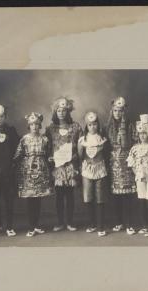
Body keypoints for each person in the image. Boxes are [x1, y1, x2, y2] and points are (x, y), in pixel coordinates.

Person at [45, 97, 82, 232]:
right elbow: (47, 147)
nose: (61, 113)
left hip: (71, 165)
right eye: (59, 110)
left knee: (70, 195)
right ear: (55, 111)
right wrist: (49, 157)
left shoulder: (76, 127)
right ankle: (60, 222)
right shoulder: (50, 129)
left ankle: (70, 222)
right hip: (58, 167)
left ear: (68, 112)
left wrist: (76, 156)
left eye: (64, 110)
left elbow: (81, 146)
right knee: (59, 195)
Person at [13, 112, 53, 237]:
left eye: (37, 124)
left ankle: (36, 225)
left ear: (40, 125)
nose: (34, 127)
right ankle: (31, 226)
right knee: (30, 199)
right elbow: (18, 154)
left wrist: (50, 159)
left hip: (41, 169)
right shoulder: (24, 139)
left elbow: (48, 153)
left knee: (38, 198)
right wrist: (16, 164)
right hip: (28, 170)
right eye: (32, 124)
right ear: (29, 126)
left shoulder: (44, 139)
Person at [106, 97, 137, 235]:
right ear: (112, 111)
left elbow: (135, 140)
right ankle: (119, 222)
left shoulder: (130, 125)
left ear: (124, 111)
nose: (117, 113)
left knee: (128, 195)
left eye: (120, 111)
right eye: (115, 111)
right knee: (116, 195)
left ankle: (129, 223)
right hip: (114, 163)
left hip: (127, 162)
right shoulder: (107, 127)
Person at [0, 105, 19, 237]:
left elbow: (18, 148)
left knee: (9, 199)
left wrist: (13, 164)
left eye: (2, 116)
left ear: (5, 116)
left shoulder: (11, 131)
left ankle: (10, 226)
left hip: (8, 170)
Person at [127, 114, 148, 237]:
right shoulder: (135, 148)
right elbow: (131, 162)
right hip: (140, 177)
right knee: (141, 200)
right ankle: (144, 225)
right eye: (140, 134)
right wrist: (137, 173)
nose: (142, 136)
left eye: (145, 133)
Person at [78, 111, 109, 237]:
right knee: (88, 197)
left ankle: (101, 226)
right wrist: (86, 164)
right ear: (87, 126)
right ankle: (92, 224)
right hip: (87, 170)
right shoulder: (82, 140)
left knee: (100, 198)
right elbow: (80, 155)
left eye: (95, 124)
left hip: (100, 169)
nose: (92, 127)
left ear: (98, 125)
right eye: (90, 125)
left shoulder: (102, 139)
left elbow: (106, 155)